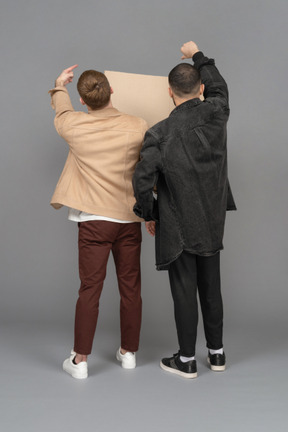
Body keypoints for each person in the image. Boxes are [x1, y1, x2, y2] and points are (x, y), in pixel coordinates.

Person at [133, 41, 236, 379]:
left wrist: (148, 213)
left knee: (184, 292)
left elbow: (142, 177)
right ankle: (217, 355)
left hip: (177, 226)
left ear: (169, 92)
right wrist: (197, 54)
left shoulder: (159, 133)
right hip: (212, 219)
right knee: (211, 287)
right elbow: (220, 86)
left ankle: (187, 360)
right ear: (201, 89)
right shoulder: (217, 110)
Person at [49, 65, 148, 379]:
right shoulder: (138, 126)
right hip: (129, 219)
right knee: (131, 287)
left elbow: (61, 111)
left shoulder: (74, 125)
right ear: (112, 92)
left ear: (82, 100)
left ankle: (80, 361)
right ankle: (129, 353)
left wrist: (59, 85)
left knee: (90, 289)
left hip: (93, 221)